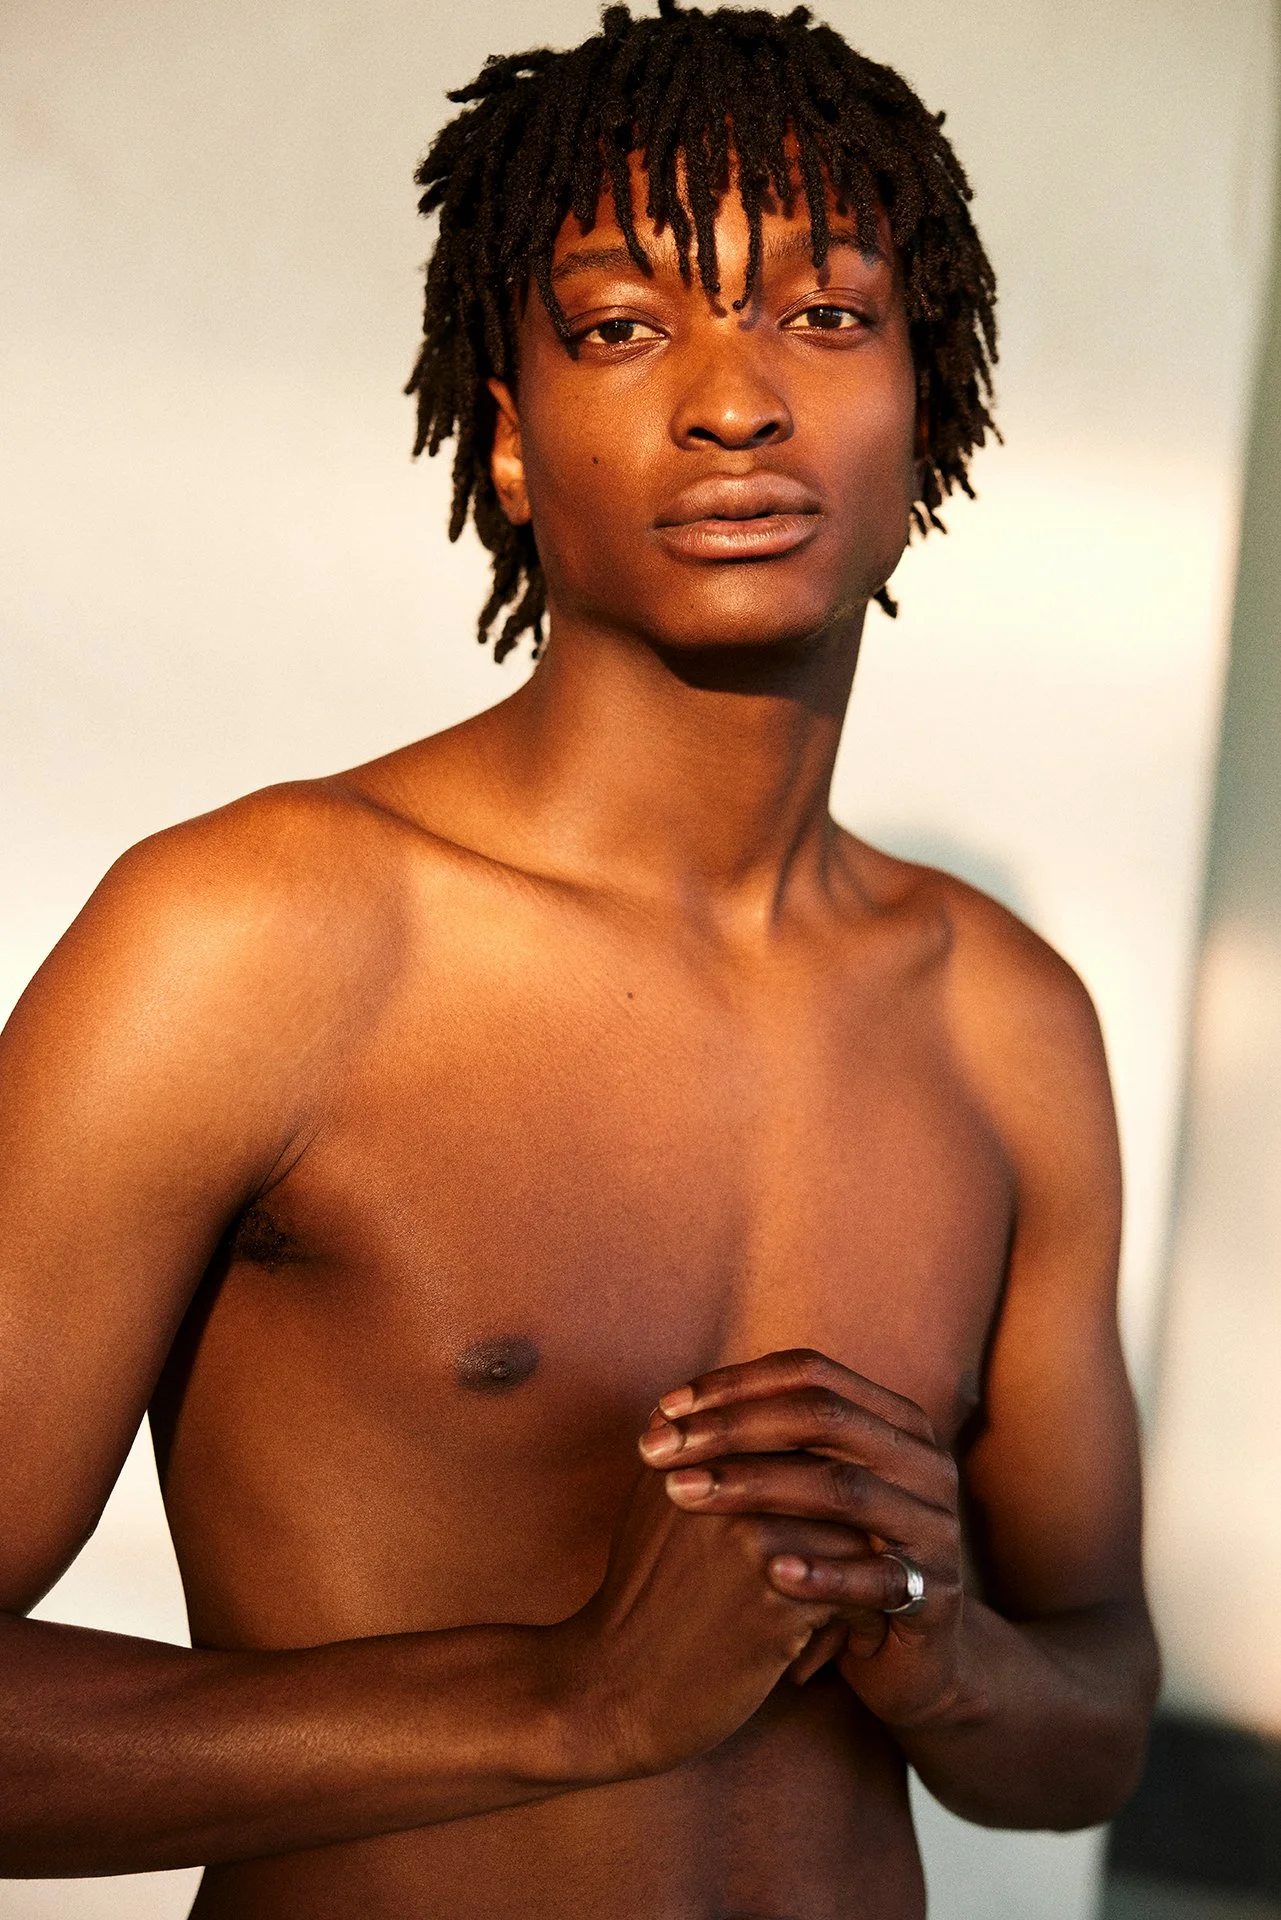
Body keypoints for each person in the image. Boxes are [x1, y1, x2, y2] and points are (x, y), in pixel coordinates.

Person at [0, 3, 1159, 1914]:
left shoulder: (1007, 1017)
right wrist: (569, 1700)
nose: (734, 402)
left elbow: (1094, 1724)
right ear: (511, 442)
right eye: (624, 326)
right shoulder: (260, 936)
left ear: (929, 408)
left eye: (826, 313)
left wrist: (939, 1647)